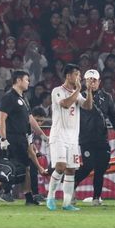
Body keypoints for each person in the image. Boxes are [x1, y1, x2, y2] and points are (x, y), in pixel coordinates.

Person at [0, 71, 49, 206]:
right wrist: (3, 139)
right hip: (12, 138)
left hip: (22, 138)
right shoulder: (9, 98)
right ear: (18, 81)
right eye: (27, 80)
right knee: (23, 168)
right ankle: (28, 197)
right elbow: (1, 119)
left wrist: (42, 134)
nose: (28, 83)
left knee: (15, 168)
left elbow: (30, 119)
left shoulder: (23, 98)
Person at [75, 69, 115, 206]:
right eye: (89, 80)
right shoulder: (79, 96)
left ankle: (96, 198)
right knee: (88, 166)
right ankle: (70, 186)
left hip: (102, 138)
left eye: (94, 80)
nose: (92, 83)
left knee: (101, 167)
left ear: (99, 82)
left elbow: (113, 116)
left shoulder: (107, 97)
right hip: (86, 138)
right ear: (84, 81)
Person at [45, 64, 93, 211]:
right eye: (76, 74)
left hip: (73, 138)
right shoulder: (57, 91)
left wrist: (89, 91)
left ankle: (66, 203)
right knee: (60, 167)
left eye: (79, 75)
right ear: (68, 76)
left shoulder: (76, 93)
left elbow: (88, 106)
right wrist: (79, 90)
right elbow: (65, 104)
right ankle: (50, 196)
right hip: (59, 135)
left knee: (71, 170)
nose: (78, 77)